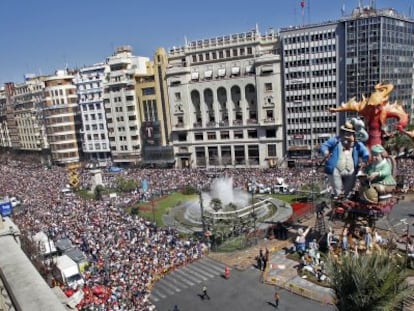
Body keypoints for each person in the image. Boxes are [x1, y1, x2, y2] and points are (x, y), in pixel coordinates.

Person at [320, 122, 370, 198]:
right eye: (346, 132)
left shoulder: (357, 144)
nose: (347, 135)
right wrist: (326, 152)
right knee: (338, 189)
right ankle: (338, 198)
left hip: (351, 170)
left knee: (348, 190)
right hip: (336, 169)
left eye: (350, 133)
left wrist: (364, 160)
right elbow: (324, 145)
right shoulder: (336, 141)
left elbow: (365, 152)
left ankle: (346, 197)